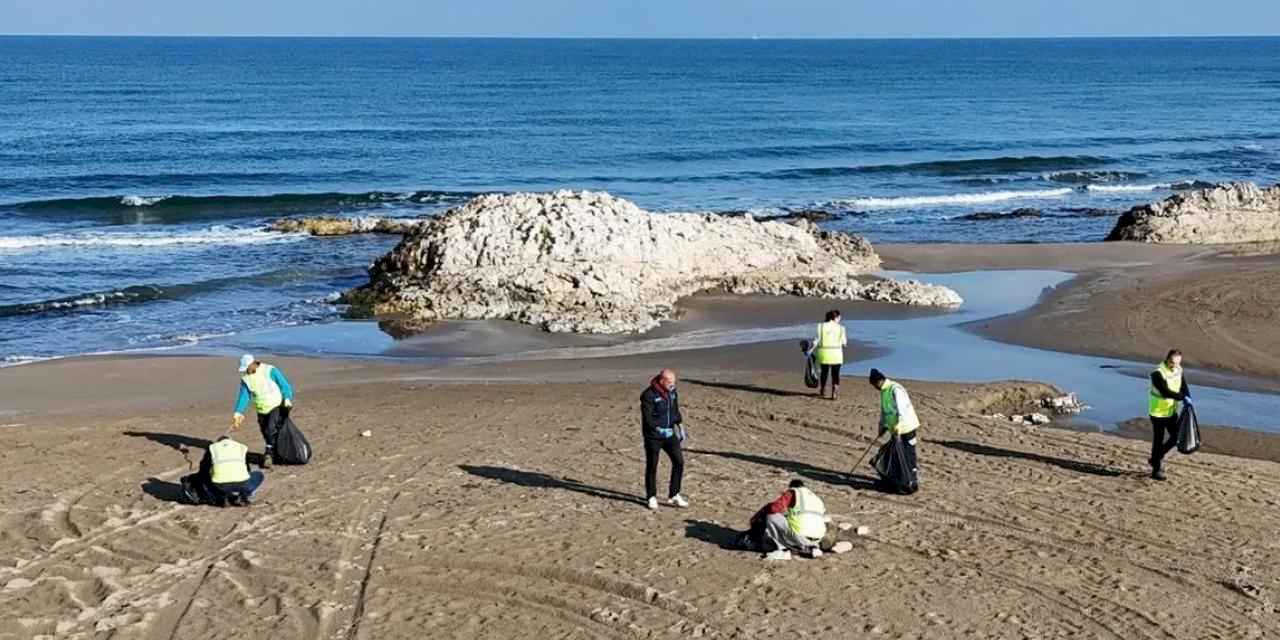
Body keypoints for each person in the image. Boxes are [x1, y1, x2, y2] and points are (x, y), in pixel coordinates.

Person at [231, 354, 295, 468]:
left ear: (253, 364)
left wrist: (287, 398)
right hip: (261, 408)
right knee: (265, 431)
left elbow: (284, 385)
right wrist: (238, 412)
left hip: (276, 405)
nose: (246, 371)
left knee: (271, 429)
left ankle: (269, 453)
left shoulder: (270, 370)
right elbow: (244, 396)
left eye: (247, 368)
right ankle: (275, 453)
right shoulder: (245, 378)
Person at [742, 479, 828, 560]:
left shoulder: (794, 492)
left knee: (772, 516)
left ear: (792, 487)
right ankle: (810, 547)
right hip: (817, 539)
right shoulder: (817, 499)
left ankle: (782, 549)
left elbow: (774, 508)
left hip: (801, 536)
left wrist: (758, 517)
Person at [640, 368, 689, 511]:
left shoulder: (672, 392)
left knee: (679, 462)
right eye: (670, 382)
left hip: (670, 435)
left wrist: (680, 426)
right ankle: (651, 496)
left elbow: (674, 410)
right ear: (662, 381)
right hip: (653, 437)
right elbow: (648, 418)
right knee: (652, 466)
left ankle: (674, 494)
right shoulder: (648, 395)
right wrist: (659, 429)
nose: (672, 385)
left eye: (674, 382)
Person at [180, 435, 265, 507]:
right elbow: (247, 469)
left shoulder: (213, 448)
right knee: (259, 475)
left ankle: (222, 497)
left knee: (207, 477)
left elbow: (203, 470)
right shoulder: (240, 447)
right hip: (242, 483)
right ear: (231, 441)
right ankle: (243, 497)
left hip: (220, 484)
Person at [870, 368, 920, 489]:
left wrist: (898, 427)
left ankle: (911, 481)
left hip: (906, 428)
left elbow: (902, 411)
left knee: (908, 454)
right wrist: (882, 426)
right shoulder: (884, 391)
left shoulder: (895, 389)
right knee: (896, 455)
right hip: (895, 430)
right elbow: (885, 411)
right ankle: (901, 479)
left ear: (880, 381)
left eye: (875, 385)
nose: (875, 388)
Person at [1148, 349, 1191, 481]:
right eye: (1172, 362)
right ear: (1167, 359)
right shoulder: (1157, 373)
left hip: (1171, 411)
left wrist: (1188, 397)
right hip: (1157, 412)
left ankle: (1155, 458)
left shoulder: (1178, 369)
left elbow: (1183, 385)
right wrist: (1182, 397)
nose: (1174, 365)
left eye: (1177, 363)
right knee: (1158, 440)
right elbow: (1165, 392)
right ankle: (1156, 469)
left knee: (1176, 437)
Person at [808, 310, 847, 400]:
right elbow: (844, 343)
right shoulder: (841, 328)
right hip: (836, 353)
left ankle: (823, 389)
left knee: (824, 372)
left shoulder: (820, 326)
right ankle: (834, 392)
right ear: (835, 318)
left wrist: (810, 350)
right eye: (839, 318)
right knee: (835, 373)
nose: (840, 319)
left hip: (824, 353)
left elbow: (816, 340)